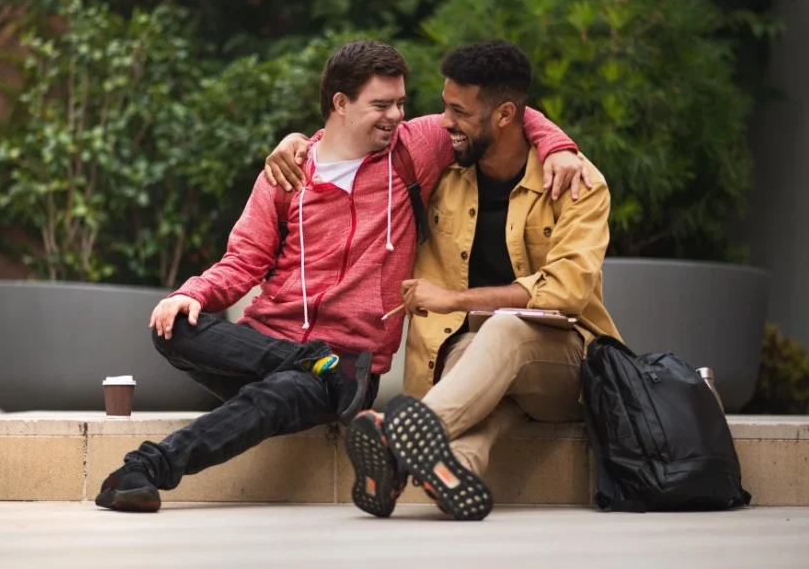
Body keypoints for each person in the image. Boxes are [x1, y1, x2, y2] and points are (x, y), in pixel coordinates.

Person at [95, 40, 587, 512]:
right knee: (173, 325)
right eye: (381, 105)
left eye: (401, 102)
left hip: (353, 363)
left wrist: (559, 146)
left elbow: (502, 112)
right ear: (340, 103)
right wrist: (192, 293)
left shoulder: (413, 150)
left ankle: (147, 468)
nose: (397, 115)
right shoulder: (288, 173)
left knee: (286, 392)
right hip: (274, 347)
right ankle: (311, 360)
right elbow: (243, 260)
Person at [344, 39, 622, 521]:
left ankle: (396, 439)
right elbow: (349, 139)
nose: (445, 121)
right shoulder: (441, 175)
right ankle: (455, 468)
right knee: (481, 355)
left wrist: (453, 299)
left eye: (459, 111)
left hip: (567, 368)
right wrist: (294, 146)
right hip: (477, 365)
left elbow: (568, 290)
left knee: (504, 329)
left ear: (505, 116)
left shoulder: (577, 182)